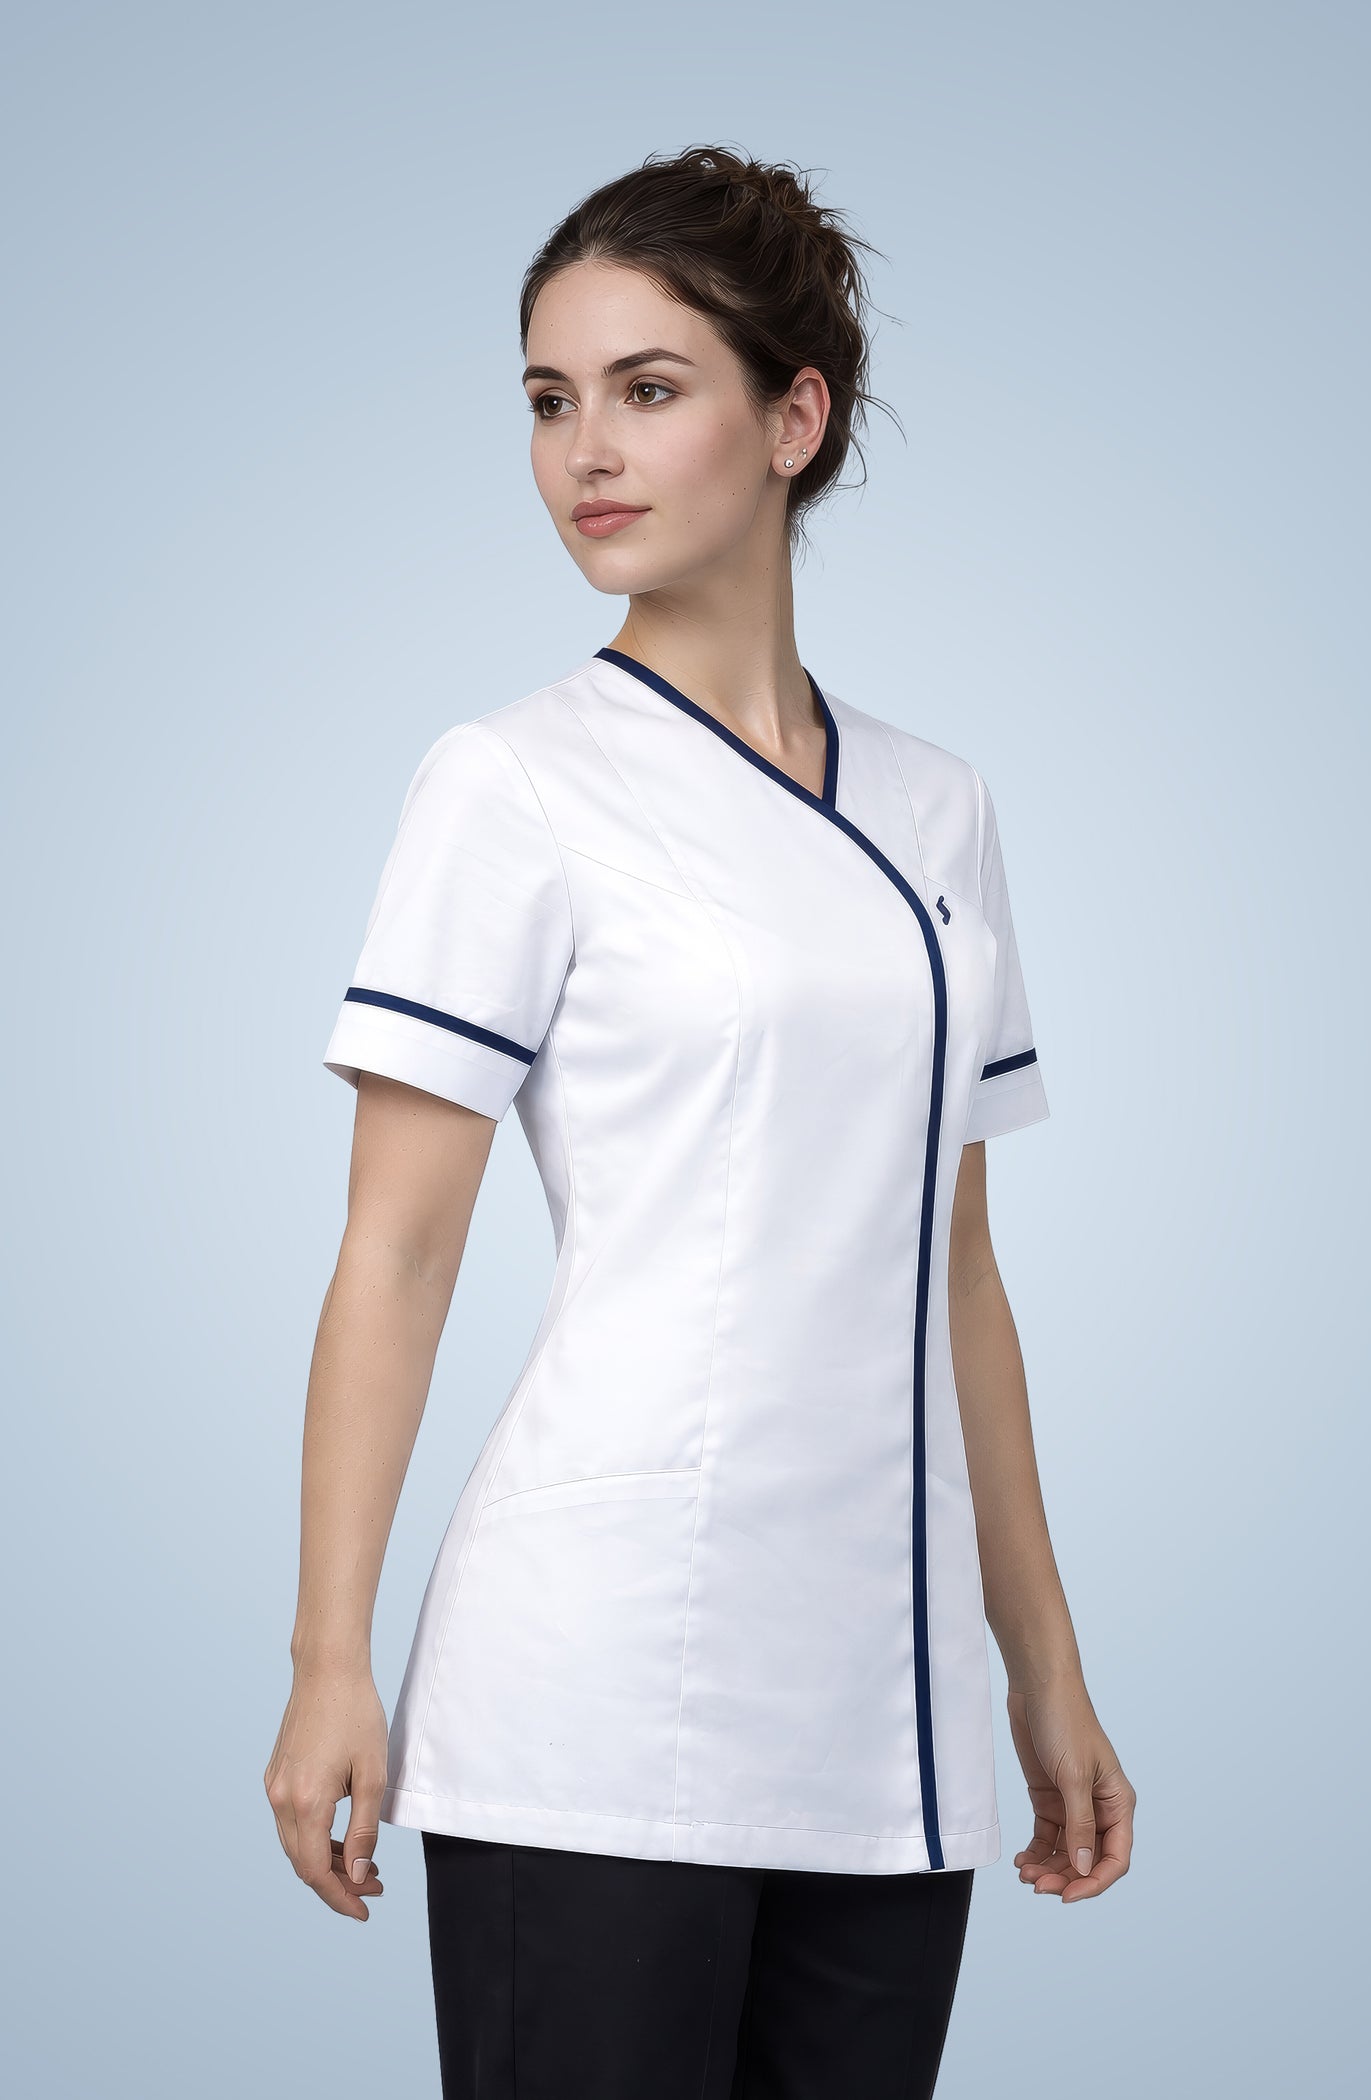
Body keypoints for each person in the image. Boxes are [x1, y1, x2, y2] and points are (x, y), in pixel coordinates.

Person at [265, 142, 1136, 2098]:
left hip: (891, 1727)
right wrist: (331, 1657)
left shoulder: (939, 808)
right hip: (591, 1693)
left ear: (792, 419)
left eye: (647, 388)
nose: (585, 450)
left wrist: (1044, 1674)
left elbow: (958, 1280)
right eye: (548, 398)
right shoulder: (510, 784)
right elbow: (396, 1251)